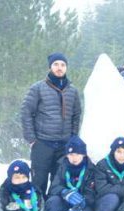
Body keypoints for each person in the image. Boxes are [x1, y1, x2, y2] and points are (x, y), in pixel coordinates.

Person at [21, 52, 82, 197]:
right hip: (42, 143)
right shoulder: (38, 88)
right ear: (50, 67)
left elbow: (76, 115)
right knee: (39, 182)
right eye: (56, 64)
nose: (59, 68)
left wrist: (72, 138)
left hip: (63, 145)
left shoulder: (72, 91)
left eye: (62, 65)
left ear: (66, 67)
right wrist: (31, 138)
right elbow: (26, 112)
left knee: (58, 182)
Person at [41, 136, 96, 211]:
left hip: (81, 203)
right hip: (65, 200)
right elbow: (54, 188)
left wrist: (83, 202)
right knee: (52, 202)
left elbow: (93, 193)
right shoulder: (62, 166)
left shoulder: (91, 169)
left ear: (84, 155)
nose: (74, 158)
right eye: (70, 154)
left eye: (77, 154)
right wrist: (64, 192)